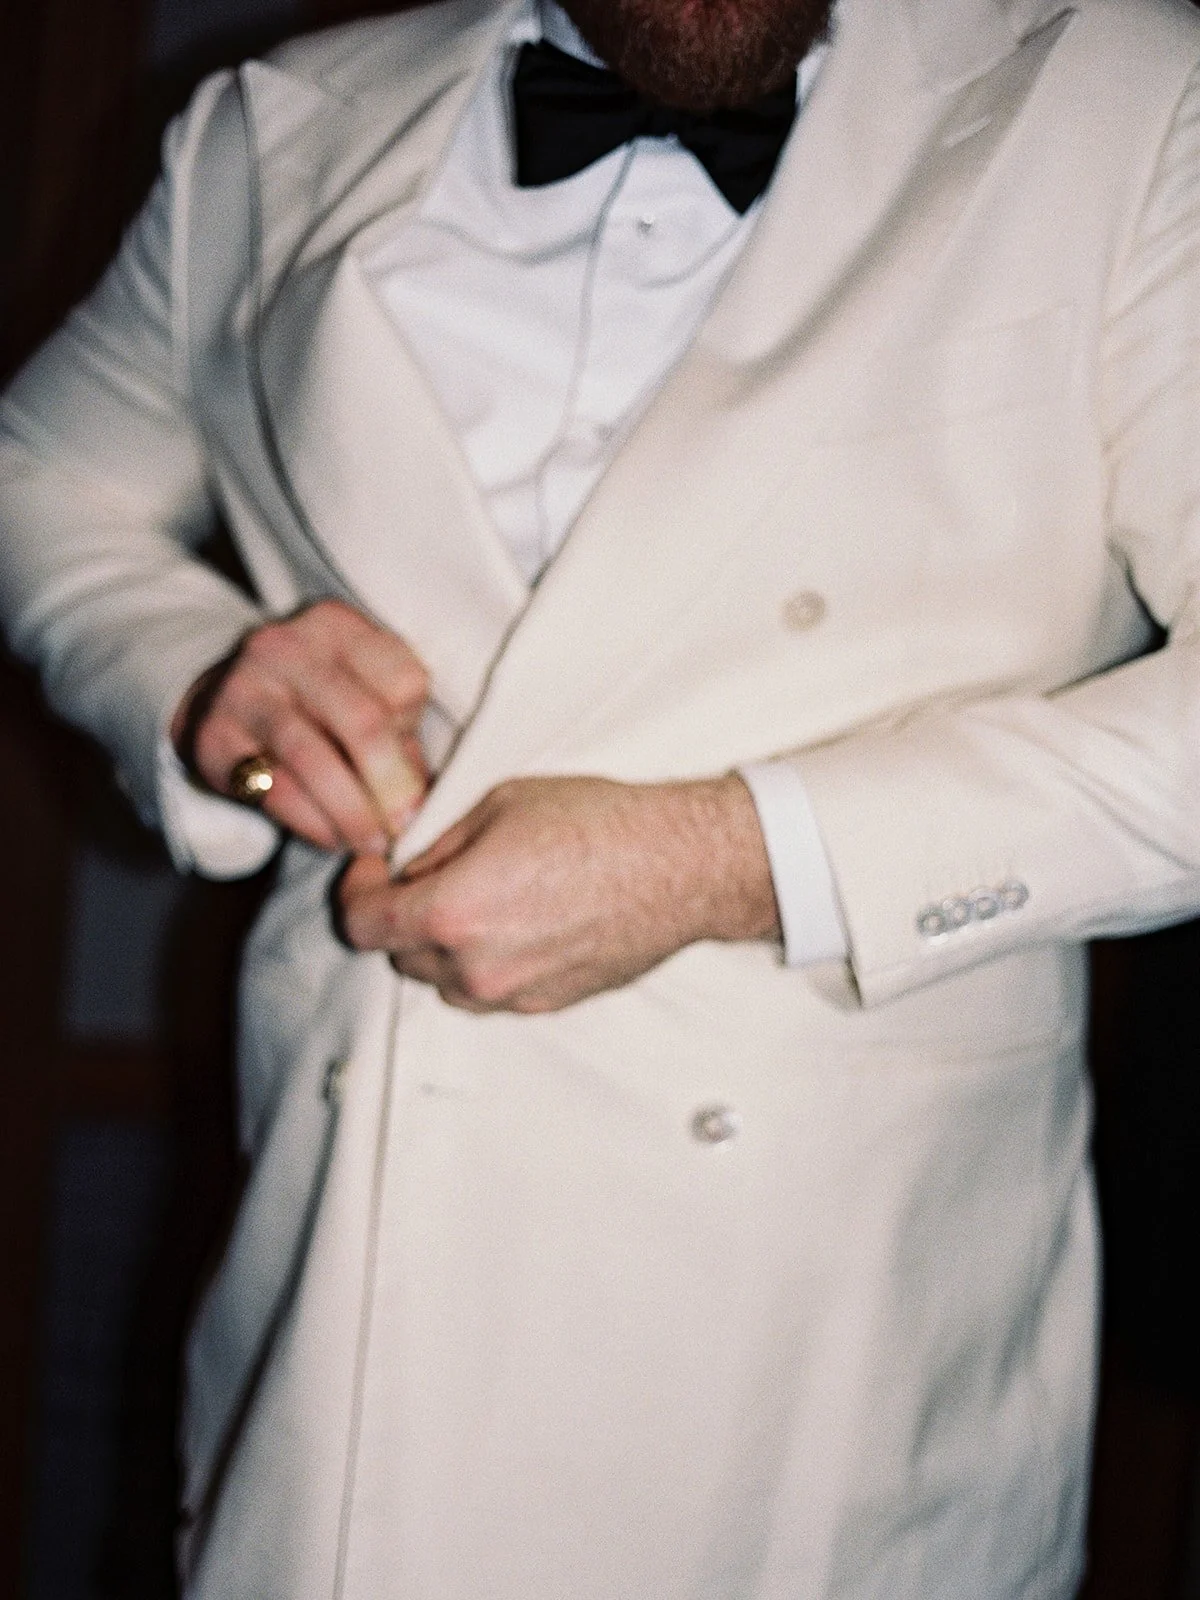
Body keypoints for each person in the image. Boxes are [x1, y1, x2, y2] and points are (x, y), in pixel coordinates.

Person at [3, 0, 1200, 1589]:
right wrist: (206, 678)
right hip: (344, 1308)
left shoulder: (1126, 94)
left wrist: (731, 859)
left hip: (829, 1364)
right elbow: (39, 474)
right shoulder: (271, 127)